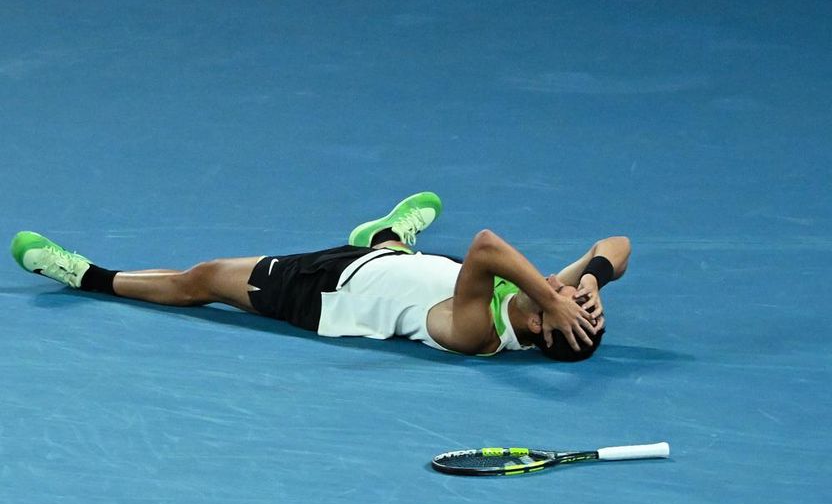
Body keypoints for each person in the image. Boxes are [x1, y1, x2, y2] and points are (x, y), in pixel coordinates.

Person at [11, 192, 629, 360]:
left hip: (322, 292)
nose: (569, 292)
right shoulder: (543, 300)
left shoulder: (479, 331)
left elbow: (486, 246)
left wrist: (555, 289)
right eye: (574, 296)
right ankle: (385, 234)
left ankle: (87, 276)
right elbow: (617, 243)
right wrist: (594, 280)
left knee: (201, 279)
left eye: (568, 303)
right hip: (387, 265)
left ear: (546, 326)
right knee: (403, 258)